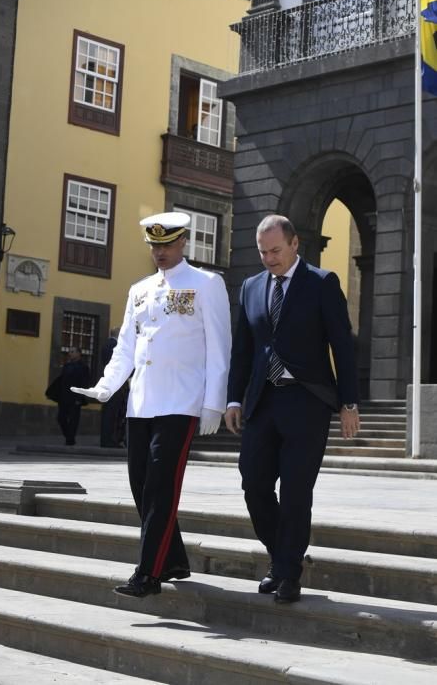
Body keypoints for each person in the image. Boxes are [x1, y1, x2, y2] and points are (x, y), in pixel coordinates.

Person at [72, 212, 231, 597]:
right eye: (154, 245)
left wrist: (214, 401)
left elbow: (219, 346)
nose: (159, 252)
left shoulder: (207, 284)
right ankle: (173, 558)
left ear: (183, 243)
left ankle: (148, 574)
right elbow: (127, 344)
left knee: (161, 486)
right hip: (141, 401)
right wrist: (107, 386)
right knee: (140, 485)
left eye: (167, 244)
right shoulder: (140, 289)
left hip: (181, 399)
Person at [225, 215, 360, 604]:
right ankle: (281, 558)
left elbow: (343, 347)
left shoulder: (322, 283)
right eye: (263, 251)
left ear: (295, 244)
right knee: (253, 484)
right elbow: (243, 350)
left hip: (307, 402)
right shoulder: (250, 288)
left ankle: (288, 574)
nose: (269, 258)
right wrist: (235, 399)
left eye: (276, 251)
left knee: (297, 492)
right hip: (262, 403)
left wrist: (349, 402)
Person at [56, 347, 90, 446]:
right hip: (64, 397)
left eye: (72, 352)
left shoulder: (84, 367)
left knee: (73, 419)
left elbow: (84, 383)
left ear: (79, 353)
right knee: (61, 418)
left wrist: (80, 397)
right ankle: (68, 436)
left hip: (75, 397)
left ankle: (70, 439)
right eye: (69, 352)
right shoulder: (66, 366)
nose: (70, 354)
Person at [100, 327, 128, 448]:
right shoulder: (114, 345)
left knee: (109, 413)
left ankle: (106, 439)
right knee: (112, 413)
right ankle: (109, 440)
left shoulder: (107, 344)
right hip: (114, 384)